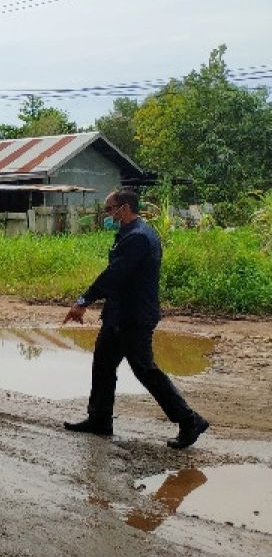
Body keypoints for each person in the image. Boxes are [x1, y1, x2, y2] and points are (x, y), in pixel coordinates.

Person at [62, 189, 209, 449]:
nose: (107, 215)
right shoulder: (132, 233)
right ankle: (99, 419)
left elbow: (114, 275)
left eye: (110, 209)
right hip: (119, 314)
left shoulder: (138, 238)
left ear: (125, 208)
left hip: (134, 316)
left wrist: (83, 301)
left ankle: (189, 420)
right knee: (104, 364)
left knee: (145, 370)